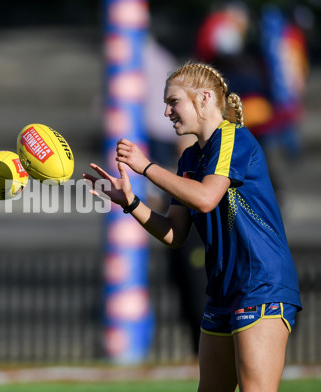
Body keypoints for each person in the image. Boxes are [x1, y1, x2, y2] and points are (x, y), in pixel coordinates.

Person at [84, 62, 302, 391]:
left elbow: (206, 198)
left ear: (202, 98)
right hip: (223, 291)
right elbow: (174, 233)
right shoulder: (189, 160)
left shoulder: (233, 139)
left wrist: (146, 168)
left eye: (173, 102)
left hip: (261, 284)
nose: (167, 112)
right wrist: (131, 203)